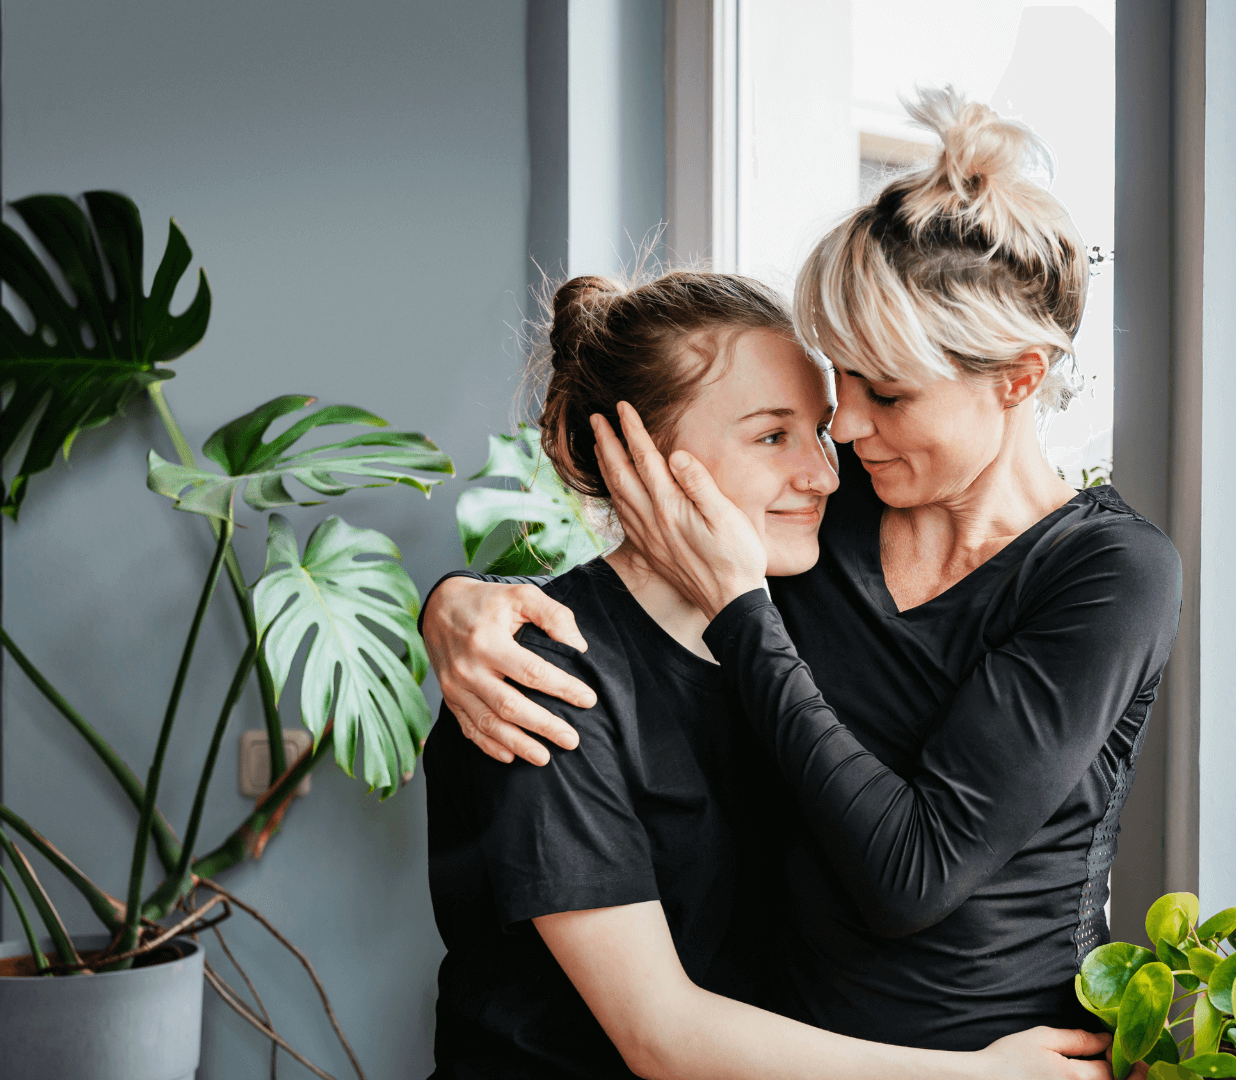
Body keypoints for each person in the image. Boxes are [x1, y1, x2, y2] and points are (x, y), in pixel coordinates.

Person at [423, 88, 1184, 1054]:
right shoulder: (827, 515)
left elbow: (914, 867)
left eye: (886, 395)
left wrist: (738, 603)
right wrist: (456, 607)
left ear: (1019, 380)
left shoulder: (1103, 571)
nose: (843, 439)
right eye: (837, 393)